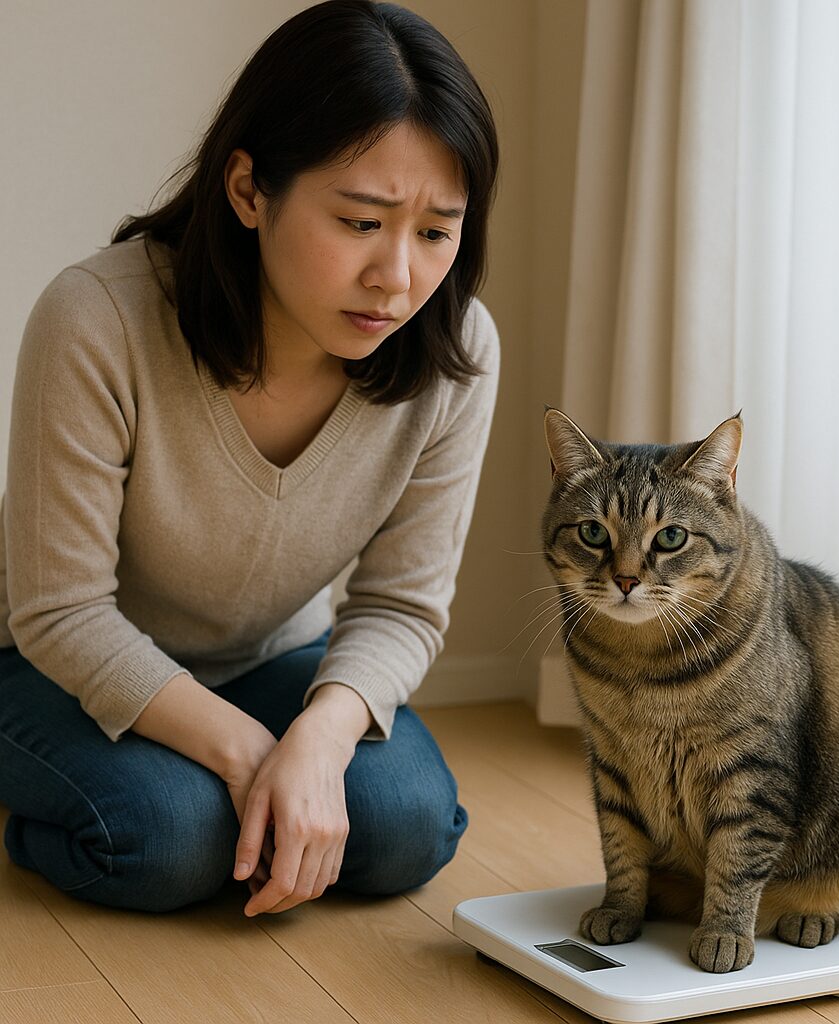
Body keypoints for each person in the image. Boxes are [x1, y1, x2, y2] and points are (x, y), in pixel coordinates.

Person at [0, 0, 499, 916]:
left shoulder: (454, 348)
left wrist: (319, 737)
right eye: (360, 222)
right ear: (247, 190)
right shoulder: (96, 319)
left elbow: (402, 604)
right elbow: (60, 611)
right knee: (172, 837)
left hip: (273, 655)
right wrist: (250, 755)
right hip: (45, 661)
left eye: (435, 232)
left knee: (406, 828)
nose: (398, 276)